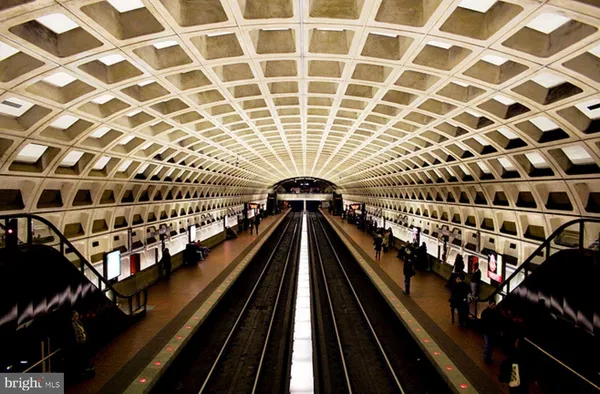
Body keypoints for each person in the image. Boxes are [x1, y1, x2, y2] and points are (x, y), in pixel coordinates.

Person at [71, 311, 93, 378]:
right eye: (76, 316)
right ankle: (83, 372)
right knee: (82, 358)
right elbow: (76, 334)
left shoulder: (79, 323)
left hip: (84, 342)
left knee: (85, 357)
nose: (77, 317)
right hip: (80, 344)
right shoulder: (73, 325)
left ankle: (86, 369)